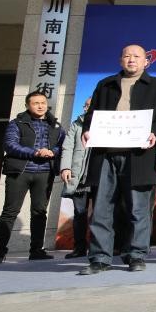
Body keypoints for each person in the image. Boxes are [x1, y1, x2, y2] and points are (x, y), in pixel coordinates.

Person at [78, 44, 156, 275]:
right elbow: (92, 114)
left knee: (138, 209)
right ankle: (100, 258)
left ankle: (136, 255)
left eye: (136, 56)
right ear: (120, 60)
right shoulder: (106, 84)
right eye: (127, 56)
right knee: (101, 209)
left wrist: (155, 132)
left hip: (139, 155)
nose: (131, 59)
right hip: (105, 154)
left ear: (146, 61)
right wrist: (88, 129)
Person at [0, 91, 64, 265]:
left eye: (43, 103)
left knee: (39, 212)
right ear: (27, 105)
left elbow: (62, 145)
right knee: (10, 212)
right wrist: (35, 152)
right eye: (35, 103)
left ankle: (37, 251)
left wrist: (52, 152)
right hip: (20, 173)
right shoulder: (17, 123)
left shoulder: (56, 126)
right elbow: (10, 144)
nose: (40, 106)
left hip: (45, 173)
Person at [59, 98, 92, 259]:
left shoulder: (107, 123)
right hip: (79, 176)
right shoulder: (77, 124)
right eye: (85, 105)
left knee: (101, 213)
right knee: (80, 213)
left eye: (90, 105)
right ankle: (79, 248)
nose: (86, 108)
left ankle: (99, 247)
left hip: (99, 175)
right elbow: (67, 146)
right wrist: (65, 167)